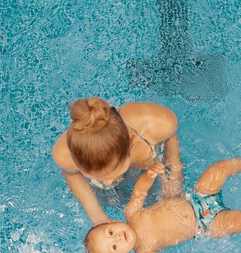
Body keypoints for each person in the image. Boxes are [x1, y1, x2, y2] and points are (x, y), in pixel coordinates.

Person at [84, 145, 241, 253]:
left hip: (197, 197)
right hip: (205, 224)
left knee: (217, 169)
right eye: (114, 247)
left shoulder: (131, 213)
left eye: (110, 232)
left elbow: (139, 192)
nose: (118, 238)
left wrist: (148, 175)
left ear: (111, 222)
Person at [52, 97, 183, 226]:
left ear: (131, 141)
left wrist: (173, 179)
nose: (108, 182)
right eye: (97, 177)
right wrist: (98, 218)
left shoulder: (158, 124)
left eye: (114, 173)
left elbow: (170, 139)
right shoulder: (64, 156)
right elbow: (72, 174)